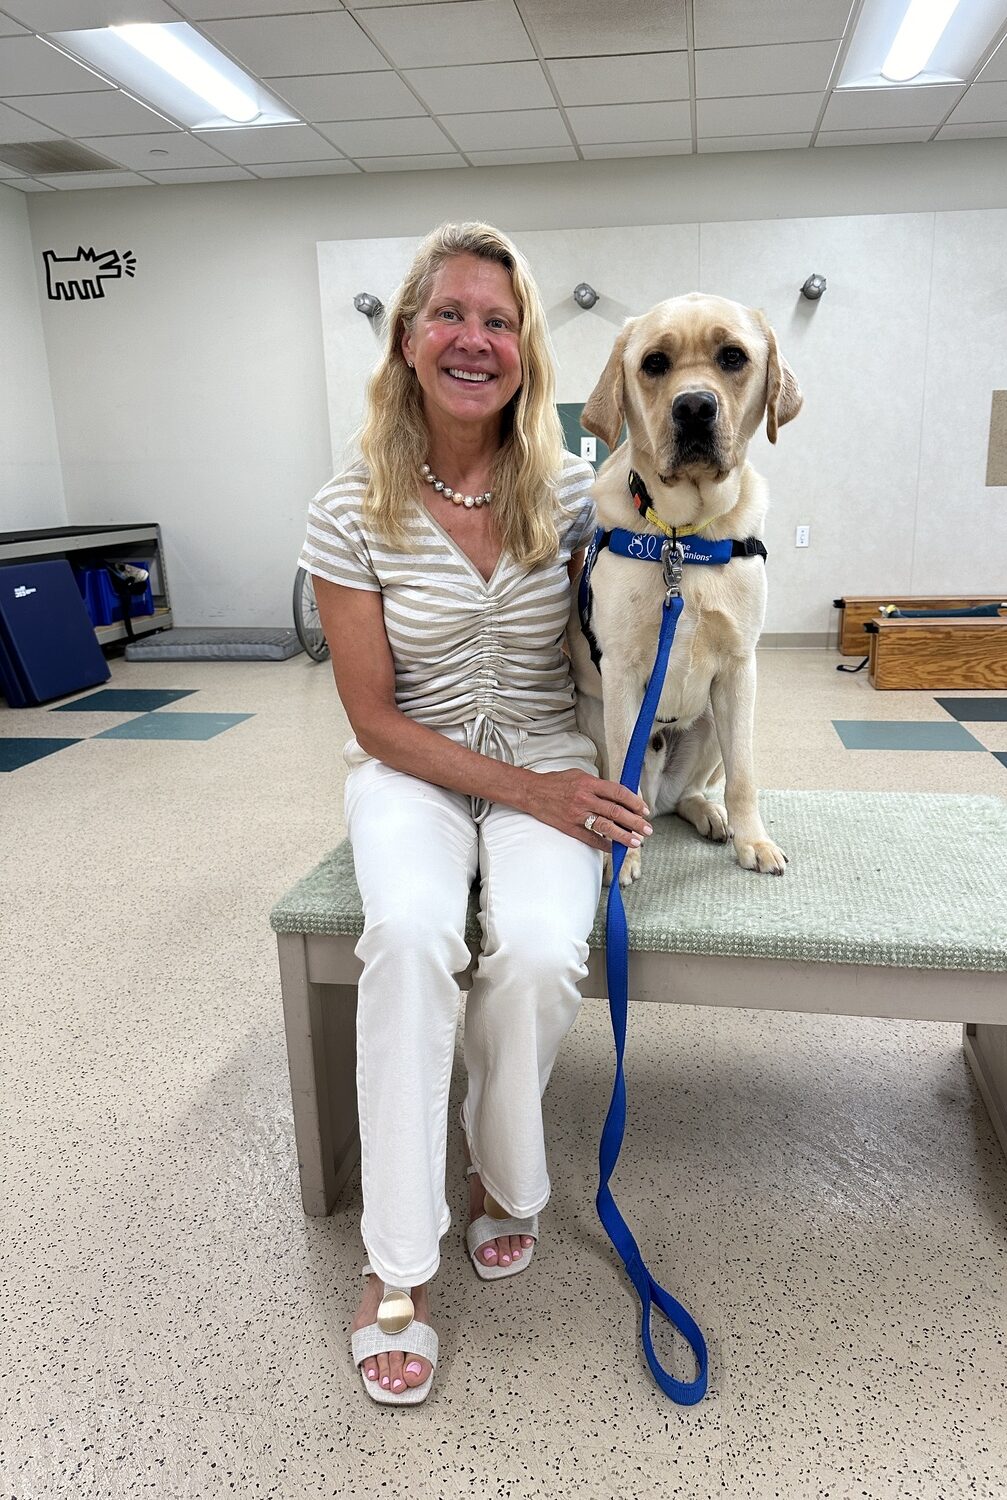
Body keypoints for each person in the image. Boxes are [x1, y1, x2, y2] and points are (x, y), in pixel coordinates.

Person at [299, 221, 651, 1406]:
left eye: (499, 321)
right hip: (409, 769)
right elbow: (375, 717)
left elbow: (643, 606)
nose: (474, 338)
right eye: (450, 314)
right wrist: (529, 794)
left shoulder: (570, 487)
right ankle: (398, 1266)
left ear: (525, 351)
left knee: (545, 952)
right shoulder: (349, 506)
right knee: (409, 939)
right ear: (406, 341)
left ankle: (503, 1174)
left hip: (553, 750)